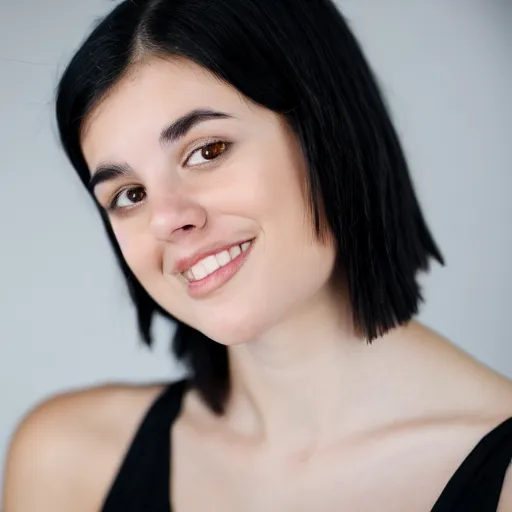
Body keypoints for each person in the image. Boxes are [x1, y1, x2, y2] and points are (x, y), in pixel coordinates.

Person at [3, 0, 512, 510]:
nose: (166, 219)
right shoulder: (66, 462)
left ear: (328, 135)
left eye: (207, 151)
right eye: (129, 194)